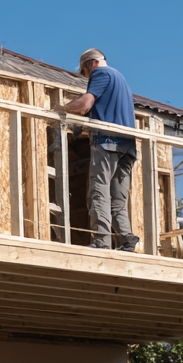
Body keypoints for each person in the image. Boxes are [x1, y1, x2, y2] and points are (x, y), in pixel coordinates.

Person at [63, 49, 139, 251]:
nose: (87, 76)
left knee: (99, 192)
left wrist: (63, 108)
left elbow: (86, 104)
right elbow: (105, 110)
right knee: (118, 199)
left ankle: (101, 241)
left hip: (107, 142)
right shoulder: (120, 79)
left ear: (92, 64)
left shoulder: (101, 74)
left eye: (85, 72)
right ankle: (126, 239)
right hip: (127, 147)